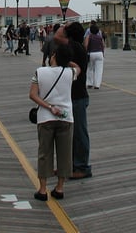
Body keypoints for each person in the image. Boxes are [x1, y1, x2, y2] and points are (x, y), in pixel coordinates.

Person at [29, 43, 78, 201]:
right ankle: (59, 188)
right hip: (66, 118)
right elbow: (78, 67)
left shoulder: (40, 72)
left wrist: (49, 107)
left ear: (54, 55)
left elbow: (33, 95)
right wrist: (67, 60)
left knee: (45, 153)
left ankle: (43, 189)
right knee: (65, 154)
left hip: (45, 118)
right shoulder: (69, 72)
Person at [55, 22, 90, 179]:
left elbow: (57, 37)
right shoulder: (77, 47)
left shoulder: (75, 46)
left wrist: (63, 27)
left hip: (77, 97)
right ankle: (69, 166)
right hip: (73, 96)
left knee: (79, 133)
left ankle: (82, 166)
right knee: (70, 133)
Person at [84, 24, 105, 89]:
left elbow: (86, 45)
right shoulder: (100, 37)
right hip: (100, 53)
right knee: (99, 70)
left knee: (90, 68)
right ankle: (97, 85)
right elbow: (103, 45)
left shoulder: (89, 36)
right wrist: (103, 53)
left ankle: (90, 83)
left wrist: (85, 52)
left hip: (91, 53)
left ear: (90, 30)